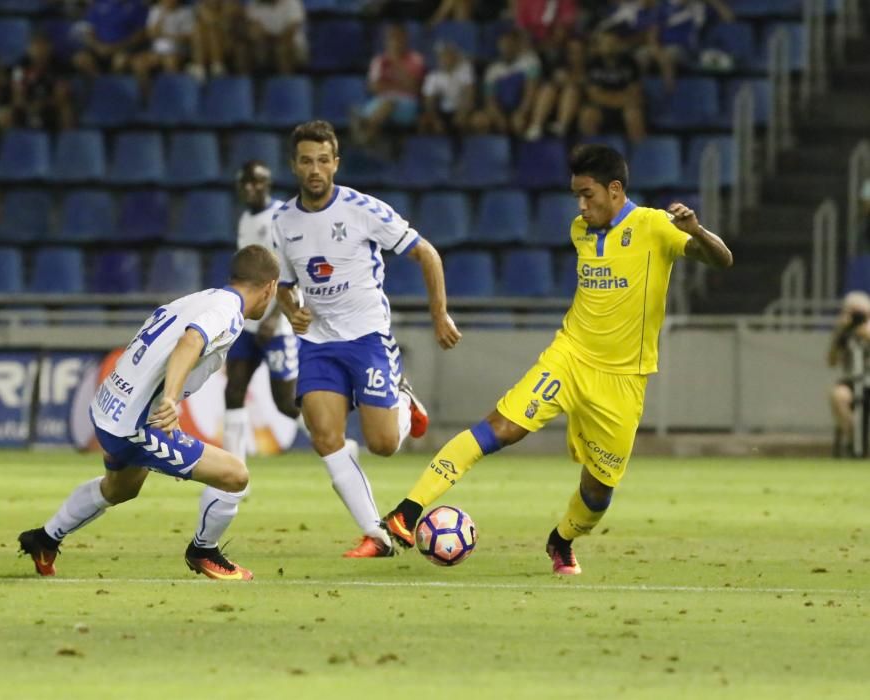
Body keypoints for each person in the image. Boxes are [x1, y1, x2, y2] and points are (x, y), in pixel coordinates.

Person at [383, 144, 733, 575]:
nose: (581, 207)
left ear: (616, 189)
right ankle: (406, 510)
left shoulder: (655, 226)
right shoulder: (580, 231)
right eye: (577, 197)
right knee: (502, 428)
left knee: (599, 492)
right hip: (569, 356)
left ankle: (562, 539)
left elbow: (722, 259)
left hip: (624, 379)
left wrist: (697, 231)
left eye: (588, 195)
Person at [18, 245, 280, 581]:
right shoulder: (228, 313)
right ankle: (203, 551)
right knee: (234, 477)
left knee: (120, 489)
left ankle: (44, 539)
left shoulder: (203, 297)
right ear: (270, 287)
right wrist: (171, 399)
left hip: (108, 406)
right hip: (134, 424)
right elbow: (190, 341)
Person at [273, 120, 462, 558]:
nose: (315, 169)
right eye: (306, 161)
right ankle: (376, 534)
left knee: (382, 445)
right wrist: (291, 307)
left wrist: (440, 315)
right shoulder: (282, 221)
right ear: (294, 165)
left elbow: (426, 253)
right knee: (324, 435)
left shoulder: (363, 209)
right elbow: (283, 282)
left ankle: (403, 400)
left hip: (367, 338)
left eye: (323, 160)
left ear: (336, 163)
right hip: (319, 343)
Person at [223, 160, 307, 459]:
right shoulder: (245, 219)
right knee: (233, 390)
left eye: (256, 181)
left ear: (267, 184)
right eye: (245, 182)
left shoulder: (281, 217)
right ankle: (233, 471)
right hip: (248, 324)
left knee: (285, 402)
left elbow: (292, 271)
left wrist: (275, 316)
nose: (250, 187)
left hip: (276, 325)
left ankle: (333, 442)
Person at [352, 24, 425, 145]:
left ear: (406, 39)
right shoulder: (379, 61)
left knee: (388, 104)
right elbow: (373, 87)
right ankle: (367, 136)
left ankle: (363, 139)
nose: (396, 42)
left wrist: (396, 64)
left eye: (399, 38)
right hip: (380, 100)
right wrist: (400, 85)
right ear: (387, 41)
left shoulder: (415, 59)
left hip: (407, 104)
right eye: (392, 38)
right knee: (377, 107)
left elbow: (415, 88)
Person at [578, 31, 645, 144]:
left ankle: (639, 156)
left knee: (633, 115)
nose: (610, 46)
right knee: (588, 115)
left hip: (626, 107)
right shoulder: (593, 63)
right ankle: (591, 156)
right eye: (606, 43)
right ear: (599, 46)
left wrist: (614, 99)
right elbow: (594, 95)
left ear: (619, 44)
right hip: (601, 108)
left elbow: (634, 92)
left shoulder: (629, 62)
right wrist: (617, 99)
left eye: (613, 42)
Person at [827, 291, 870, 457]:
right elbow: (831, 361)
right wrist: (839, 335)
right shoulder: (844, 333)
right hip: (852, 380)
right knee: (838, 396)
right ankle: (854, 440)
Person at [244, 0, 307, 75]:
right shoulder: (254, 3)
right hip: (264, 44)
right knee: (244, 49)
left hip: (294, 45)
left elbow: (291, 31)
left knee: (281, 49)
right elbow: (254, 30)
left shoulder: (293, 2)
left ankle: (286, 82)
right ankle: (246, 84)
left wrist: (272, 40)